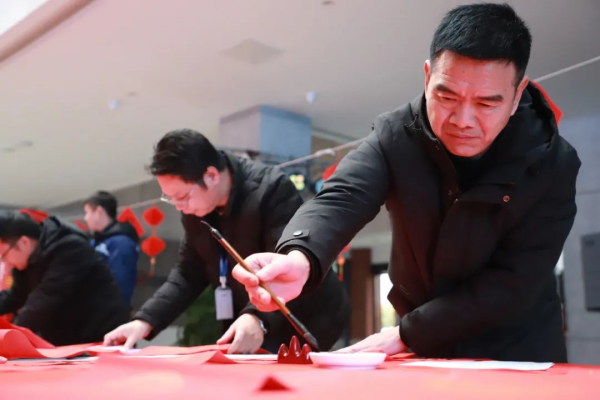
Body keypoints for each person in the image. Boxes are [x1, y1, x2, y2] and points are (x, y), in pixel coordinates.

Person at [233, 3, 581, 363]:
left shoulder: (551, 163)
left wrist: (406, 333)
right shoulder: (398, 134)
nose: (463, 120)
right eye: (447, 96)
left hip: (515, 349)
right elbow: (342, 195)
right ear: (427, 77)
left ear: (517, 93)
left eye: (486, 104)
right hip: (426, 346)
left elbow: (514, 282)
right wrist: (300, 256)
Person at [104, 130, 350, 353]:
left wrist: (258, 318)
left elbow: (285, 267)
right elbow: (188, 274)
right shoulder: (196, 211)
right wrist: (145, 320)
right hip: (252, 316)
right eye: (172, 199)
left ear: (211, 175)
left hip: (306, 314)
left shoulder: (270, 189)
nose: (180, 207)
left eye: (182, 197)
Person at [0, 212, 130, 345]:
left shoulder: (68, 247)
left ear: (24, 242)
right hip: (67, 338)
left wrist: (9, 338)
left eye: (3, 255)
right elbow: (16, 295)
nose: (5, 262)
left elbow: (44, 298)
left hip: (101, 335)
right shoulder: (25, 262)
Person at [84, 191, 140, 307]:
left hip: (106, 311)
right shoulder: (98, 241)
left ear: (99, 211)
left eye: (87, 212)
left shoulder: (122, 243)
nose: (85, 218)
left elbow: (120, 283)